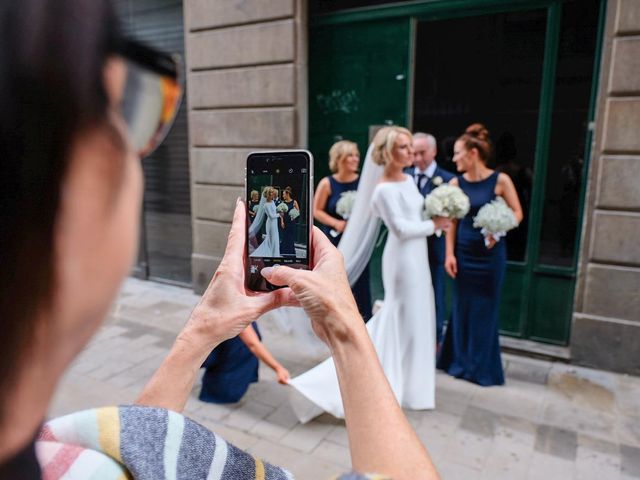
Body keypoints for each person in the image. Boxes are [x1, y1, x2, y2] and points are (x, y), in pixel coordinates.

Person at [0, 2, 440, 478]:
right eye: (130, 112)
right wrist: (347, 331)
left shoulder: (63, 452)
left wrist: (199, 333)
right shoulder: (83, 453)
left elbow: (134, 457)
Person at [288, 127, 452, 422]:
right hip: (402, 260)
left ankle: (411, 386)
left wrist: (437, 214)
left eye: (410, 147)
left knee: (416, 320)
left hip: (418, 257)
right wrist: (436, 225)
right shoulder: (382, 190)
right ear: (388, 152)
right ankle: (350, 383)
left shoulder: (410, 180)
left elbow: (416, 216)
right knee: (397, 317)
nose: (410, 153)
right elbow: (401, 229)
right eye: (403, 147)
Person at [437, 124, 523, 386]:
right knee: (462, 307)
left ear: (473, 153)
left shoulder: (501, 180)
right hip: (463, 253)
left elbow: (518, 213)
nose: (454, 159)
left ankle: (481, 369)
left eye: (458, 153)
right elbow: (451, 222)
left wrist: (497, 231)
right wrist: (449, 254)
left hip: (491, 257)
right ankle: (459, 363)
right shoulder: (455, 182)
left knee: (485, 310)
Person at [313, 140, 372, 320]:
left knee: (360, 282)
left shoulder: (364, 182)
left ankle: (362, 319)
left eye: (356, 155)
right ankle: (335, 318)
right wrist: (336, 223)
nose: (355, 159)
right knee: (336, 278)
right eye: (350, 156)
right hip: (335, 240)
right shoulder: (327, 183)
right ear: (339, 159)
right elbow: (317, 211)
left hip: (358, 241)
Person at [411, 132, 455, 346]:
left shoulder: (447, 179)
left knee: (436, 294)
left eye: (422, 153)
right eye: (414, 153)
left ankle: (435, 341)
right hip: (409, 247)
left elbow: (453, 219)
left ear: (434, 151)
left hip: (435, 248)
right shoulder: (406, 176)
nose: (418, 158)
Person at [199, 323, 290, 404]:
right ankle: (217, 394)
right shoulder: (236, 310)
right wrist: (278, 368)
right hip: (233, 349)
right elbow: (253, 344)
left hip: (234, 343)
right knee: (228, 373)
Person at [249, 186, 281, 257]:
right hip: (270, 225)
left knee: (275, 239)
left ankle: (275, 254)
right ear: (268, 194)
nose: (273, 194)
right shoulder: (266, 205)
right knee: (271, 240)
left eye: (273, 192)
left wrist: (279, 210)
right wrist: (279, 215)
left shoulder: (272, 202)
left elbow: (274, 212)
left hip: (274, 223)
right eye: (271, 192)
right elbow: (271, 216)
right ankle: (271, 254)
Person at [278, 186, 299, 257]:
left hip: (291, 222)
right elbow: (281, 214)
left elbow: (298, 211)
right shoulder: (282, 203)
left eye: (284, 194)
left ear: (287, 194)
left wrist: (294, 216)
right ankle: (284, 252)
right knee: (285, 237)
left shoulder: (294, 202)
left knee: (290, 237)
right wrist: (282, 222)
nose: (283, 196)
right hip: (285, 221)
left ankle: (290, 253)